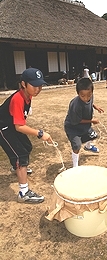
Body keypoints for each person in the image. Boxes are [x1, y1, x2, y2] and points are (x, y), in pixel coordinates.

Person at [0, 67, 52, 203]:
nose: (38, 89)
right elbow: (19, 127)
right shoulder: (18, 98)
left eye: (40, 85)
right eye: (34, 85)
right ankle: (24, 193)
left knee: (27, 146)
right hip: (3, 127)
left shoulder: (28, 96)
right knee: (21, 155)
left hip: (11, 125)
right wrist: (40, 133)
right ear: (24, 84)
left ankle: (16, 167)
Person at [64, 77, 104, 168]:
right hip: (73, 127)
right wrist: (92, 121)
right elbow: (76, 120)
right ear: (78, 93)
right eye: (83, 96)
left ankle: (88, 146)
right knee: (77, 146)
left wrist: (96, 107)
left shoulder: (90, 96)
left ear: (92, 92)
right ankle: (75, 166)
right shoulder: (76, 105)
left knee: (93, 135)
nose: (86, 98)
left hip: (84, 125)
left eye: (89, 95)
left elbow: (90, 101)